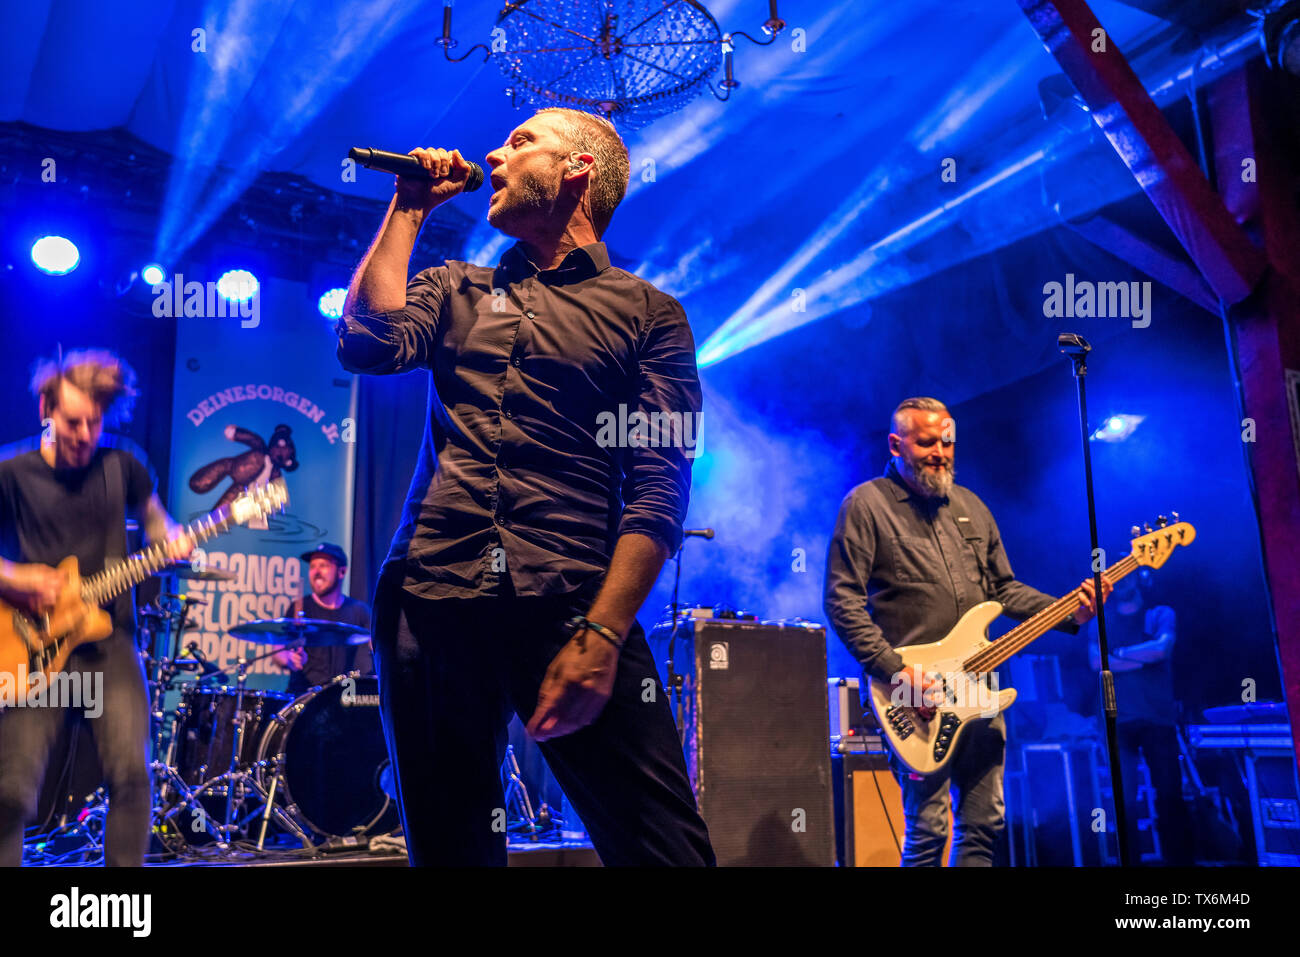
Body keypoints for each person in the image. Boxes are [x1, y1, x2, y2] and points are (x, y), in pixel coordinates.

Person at [336, 107, 714, 865]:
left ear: (576, 170)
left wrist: (605, 633)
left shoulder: (650, 317)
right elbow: (366, 343)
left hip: (570, 603)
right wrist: (411, 204)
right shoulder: (454, 288)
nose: (493, 155)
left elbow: (657, 492)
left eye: (520, 143)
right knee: (453, 854)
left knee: (667, 851)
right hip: (430, 599)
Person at [823, 396, 1108, 866]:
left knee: (985, 823)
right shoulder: (867, 505)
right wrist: (897, 672)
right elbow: (841, 601)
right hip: (913, 698)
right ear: (896, 444)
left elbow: (1003, 590)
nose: (940, 451)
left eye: (947, 441)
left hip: (981, 691)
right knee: (930, 828)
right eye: (927, 442)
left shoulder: (972, 507)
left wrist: (1066, 613)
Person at [0, 350, 191, 866]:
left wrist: (172, 538)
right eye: (72, 422)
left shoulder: (122, 465)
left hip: (110, 645)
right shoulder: (10, 472)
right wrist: (14, 577)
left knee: (132, 776)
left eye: (94, 422)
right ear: (46, 408)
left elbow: (158, 525)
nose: (85, 434)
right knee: (11, 791)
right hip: (31, 644)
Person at [1085, 573, 1191, 864]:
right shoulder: (1100, 622)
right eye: (1116, 579)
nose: (1122, 584)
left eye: (1127, 577)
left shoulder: (1160, 614)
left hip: (1158, 719)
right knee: (1124, 803)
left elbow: (1161, 649)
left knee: (1170, 797)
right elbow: (1097, 662)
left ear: (1139, 579)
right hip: (1116, 723)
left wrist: (1116, 655)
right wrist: (1140, 656)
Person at [273, 542, 372, 696]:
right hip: (303, 697)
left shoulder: (359, 611)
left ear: (342, 571)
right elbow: (278, 651)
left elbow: (373, 652)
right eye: (312, 567)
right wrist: (290, 660)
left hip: (344, 697)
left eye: (323, 565)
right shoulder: (299, 607)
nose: (316, 572)